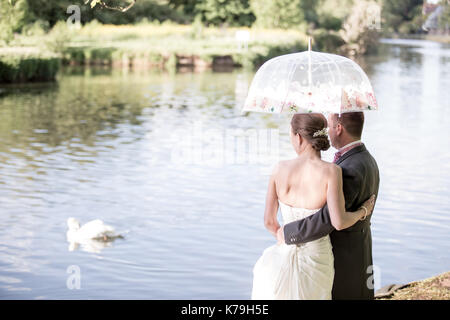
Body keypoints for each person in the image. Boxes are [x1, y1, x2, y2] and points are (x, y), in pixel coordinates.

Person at [251, 112, 376, 300]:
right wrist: (362, 211)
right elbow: (339, 222)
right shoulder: (332, 171)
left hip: (284, 249)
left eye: (291, 135)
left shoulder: (279, 169)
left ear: (299, 137)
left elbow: (269, 222)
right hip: (318, 256)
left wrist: (285, 240)